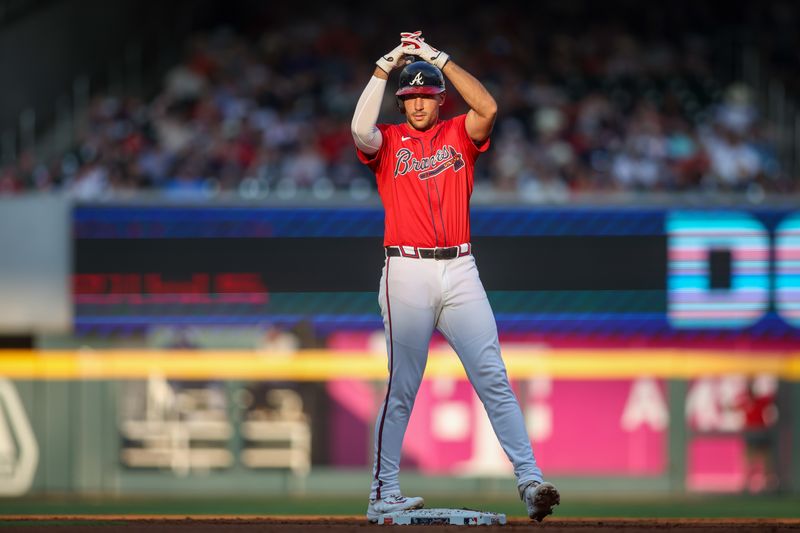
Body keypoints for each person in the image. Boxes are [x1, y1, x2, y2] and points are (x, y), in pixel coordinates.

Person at [351, 31, 560, 523]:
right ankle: (383, 490)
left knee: (493, 377)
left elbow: (487, 107)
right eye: (410, 96)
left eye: (425, 94)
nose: (417, 103)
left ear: (440, 98)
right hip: (405, 270)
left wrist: (437, 58)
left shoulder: (457, 133)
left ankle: (530, 481)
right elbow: (360, 130)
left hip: (461, 267)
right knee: (403, 383)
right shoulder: (390, 139)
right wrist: (385, 69)